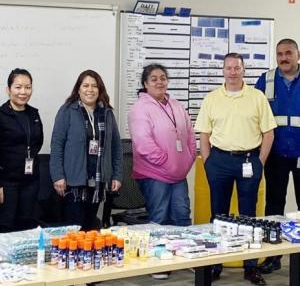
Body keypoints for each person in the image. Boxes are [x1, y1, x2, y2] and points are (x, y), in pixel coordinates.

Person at [195, 53, 277, 285]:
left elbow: (268, 133)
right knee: (218, 216)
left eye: (237, 68)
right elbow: (204, 133)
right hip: (219, 161)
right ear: (223, 71)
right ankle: (216, 263)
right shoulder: (212, 98)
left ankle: (250, 266)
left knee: (248, 216)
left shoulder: (257, 97)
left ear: (244, 70)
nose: (232, 72)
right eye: (228, 68)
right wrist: (208, 162)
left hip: (249, 161)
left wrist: (260, 162)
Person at [128, 63, 196, 279]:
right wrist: (166, 161)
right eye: (154, 79)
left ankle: (186, 255)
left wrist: (188, 157)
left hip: (178, 174)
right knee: (160, 216)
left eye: (163, 78)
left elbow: (190, 134)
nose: (159, 82)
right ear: (145, 84)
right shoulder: (140, 108)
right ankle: (158, 263)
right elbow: (143, 143)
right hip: (155, 174)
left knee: (182, 214)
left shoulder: (176, 104)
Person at [50, 69, 122, 231]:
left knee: (90, 229)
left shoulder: (107, 113)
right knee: (75, 231)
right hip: (73, 183)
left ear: (100, 89)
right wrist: (58, 176)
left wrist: (117, 176)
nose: (90, 90)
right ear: (78, 89)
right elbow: (56, 145)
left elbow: (116, 147)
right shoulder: (67, 111)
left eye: (94, 86)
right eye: (86, 85)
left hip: (97, 183)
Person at [255, 38, 300, 274]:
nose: (284, 58)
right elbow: (252, 112)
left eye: (288, 53)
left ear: (297, 55)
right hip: (275, 154)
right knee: (273, 207)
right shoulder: (267, 80)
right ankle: (272, 256)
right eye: (280, 53)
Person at [0, 68, 43, 232]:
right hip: (7, 183)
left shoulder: (34, 114)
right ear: (8, 89)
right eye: (18, 87)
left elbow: (37, 143)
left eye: (28, 87)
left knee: (26, 227)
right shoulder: (2, 115)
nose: (23, 92)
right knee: (6, 226)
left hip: (30, 181)